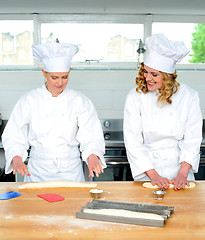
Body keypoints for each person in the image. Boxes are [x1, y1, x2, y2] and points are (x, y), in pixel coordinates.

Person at [2, 42, 106, 182]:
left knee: (72, 204)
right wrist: (16, 158)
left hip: (71, 172)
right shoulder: (29, 100)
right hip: (38, 172)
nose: (60, 83)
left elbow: (91, 135)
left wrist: (93, 155)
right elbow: (13, 134)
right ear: (44, 73)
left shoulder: (80, 100)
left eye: (64, 77)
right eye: (54, 77)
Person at [123, 33, 202, 190]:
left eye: (154, 74)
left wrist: (182, 174)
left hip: (180, 171)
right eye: (145, 71)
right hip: (147, 170)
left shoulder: (189, 96)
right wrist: (154, 175)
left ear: (167, 76)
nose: (147, 78)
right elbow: (133, 142)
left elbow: (192, 139)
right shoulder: (135, 96)